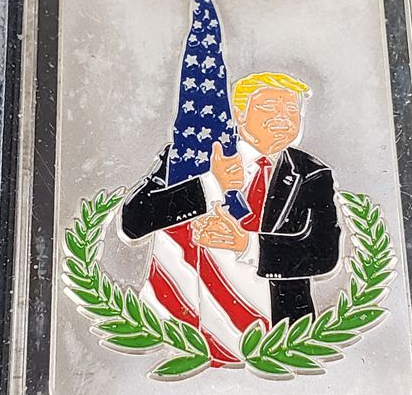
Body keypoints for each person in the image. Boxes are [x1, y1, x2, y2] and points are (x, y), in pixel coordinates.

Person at [121, 72, 341, 324]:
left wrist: (246, 245)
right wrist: (210, 183)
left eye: (291, 109)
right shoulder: (188, 158)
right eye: (268, 107)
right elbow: (133, 222)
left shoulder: (311, 173)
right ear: (238, 114)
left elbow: (324, 253)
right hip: (184, 324)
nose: (283, 117)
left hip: (278, 331)